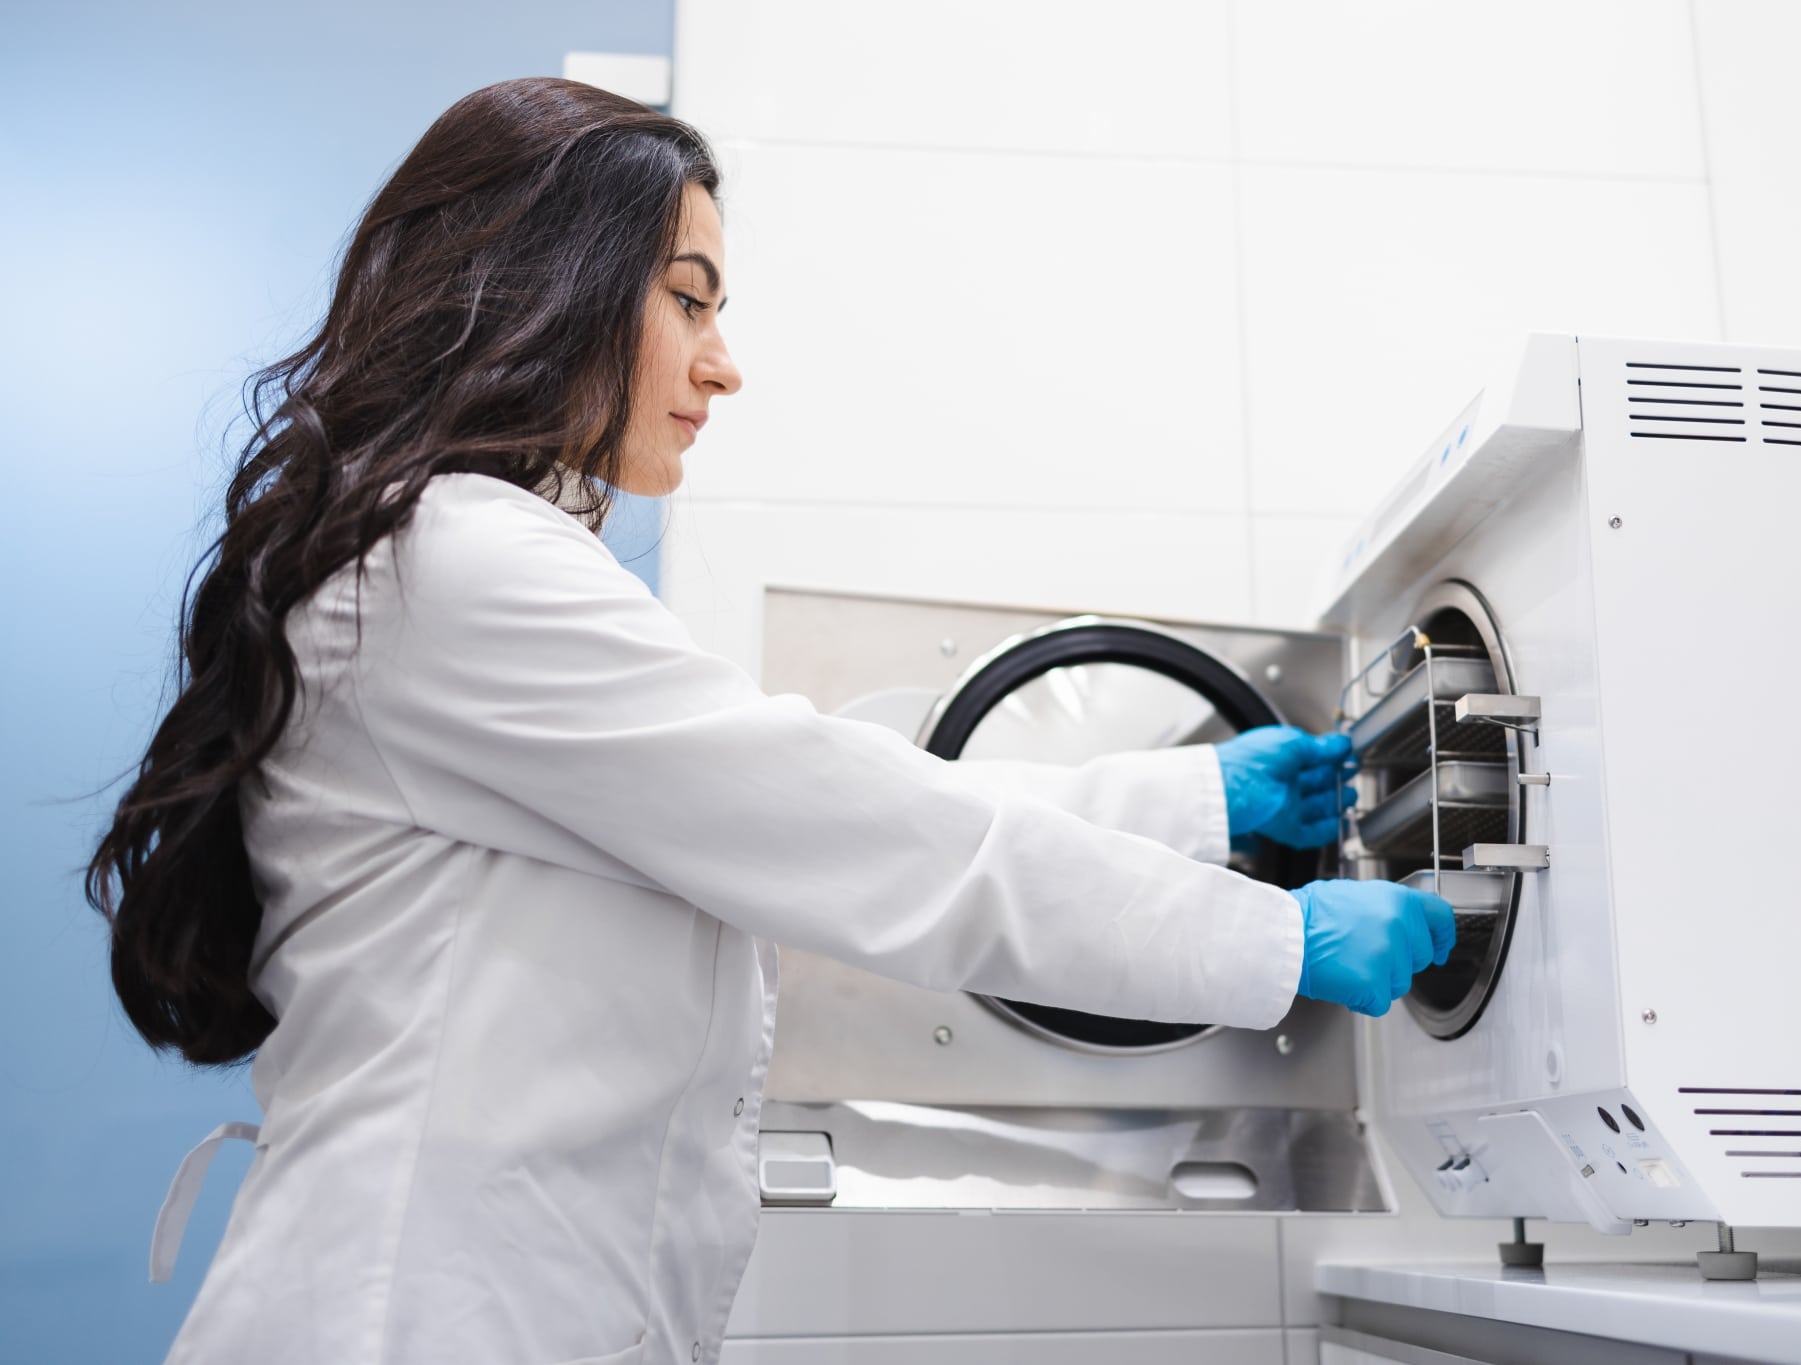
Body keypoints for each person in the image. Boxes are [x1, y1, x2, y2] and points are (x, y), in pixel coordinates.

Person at [87, 78, 1454, 1365]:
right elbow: (861, 832)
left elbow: (816, 809)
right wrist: (1275, 939)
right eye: (690, 300)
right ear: (546, 283)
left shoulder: (457, 565)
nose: (722, 364)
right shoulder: (452, 563)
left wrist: (1200, 803)